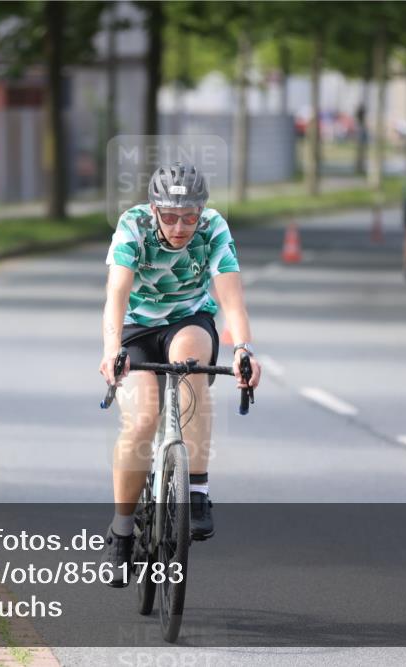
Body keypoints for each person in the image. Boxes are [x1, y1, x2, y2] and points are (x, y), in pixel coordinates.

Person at [98, 162, 262, 586]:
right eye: (169, 216)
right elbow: (116, 292)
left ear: (201, 212)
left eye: (189, 216)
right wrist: (112, 349)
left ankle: (197, 491)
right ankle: (121, 530)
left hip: (187, 320)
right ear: (153, 209)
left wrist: (243, 348)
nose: (180, 226)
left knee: (192, 366)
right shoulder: (132, 225)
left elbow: (231, 296)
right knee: (142, 420)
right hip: (136, 326)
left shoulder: (213, 228)